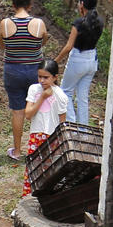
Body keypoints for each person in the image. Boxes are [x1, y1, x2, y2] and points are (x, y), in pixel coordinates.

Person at [0, 0, 52, 162]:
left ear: (13, 4)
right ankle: (40, 150)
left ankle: (17, 151)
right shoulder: (39, 24)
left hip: (13, 71)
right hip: (34, 72)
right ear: (30, 4)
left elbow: (2, 45)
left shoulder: (5, 24)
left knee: (18, 111)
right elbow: (42, 42)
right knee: (39, 110)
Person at [20, 62, 71, 196]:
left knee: (49, 171)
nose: (42, 81)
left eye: (46, 77)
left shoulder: (60, 96)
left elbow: (62, 121)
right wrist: (42, 97)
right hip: (36, 135)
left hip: (51, 137)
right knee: (31, 169)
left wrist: (61, 140)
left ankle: (44, 199)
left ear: (55, 77)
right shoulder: (34, 89)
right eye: (40, 77)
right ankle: (27, 199)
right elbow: (28, 114)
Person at [54, 0, 103, 126]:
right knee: (82, 97)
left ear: (82, 4)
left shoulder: (79, 23)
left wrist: (56, 61)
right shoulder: (99, 22)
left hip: (78, 60)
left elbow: (69, 46)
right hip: (92, 60)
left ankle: (71, 125)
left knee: (65, 93)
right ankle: (83, 131)